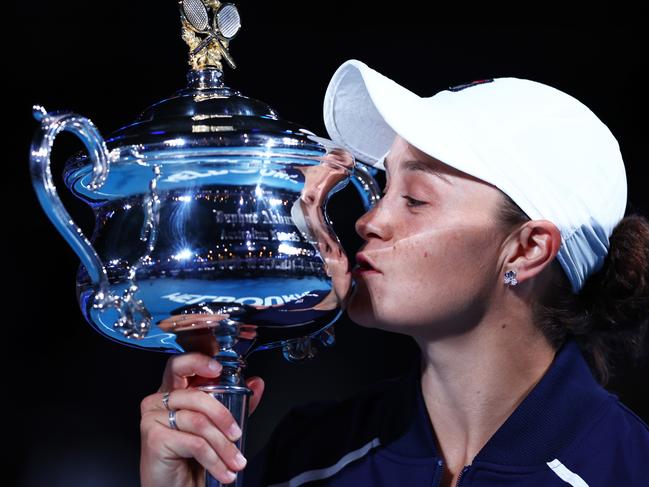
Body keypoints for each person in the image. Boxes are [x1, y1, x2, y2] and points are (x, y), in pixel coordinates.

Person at [139, 59, 649, 486]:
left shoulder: (629, 469)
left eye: (416, 199)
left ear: (527, 250)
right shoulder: (307, 455)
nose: (368, 220)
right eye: (384, 190)